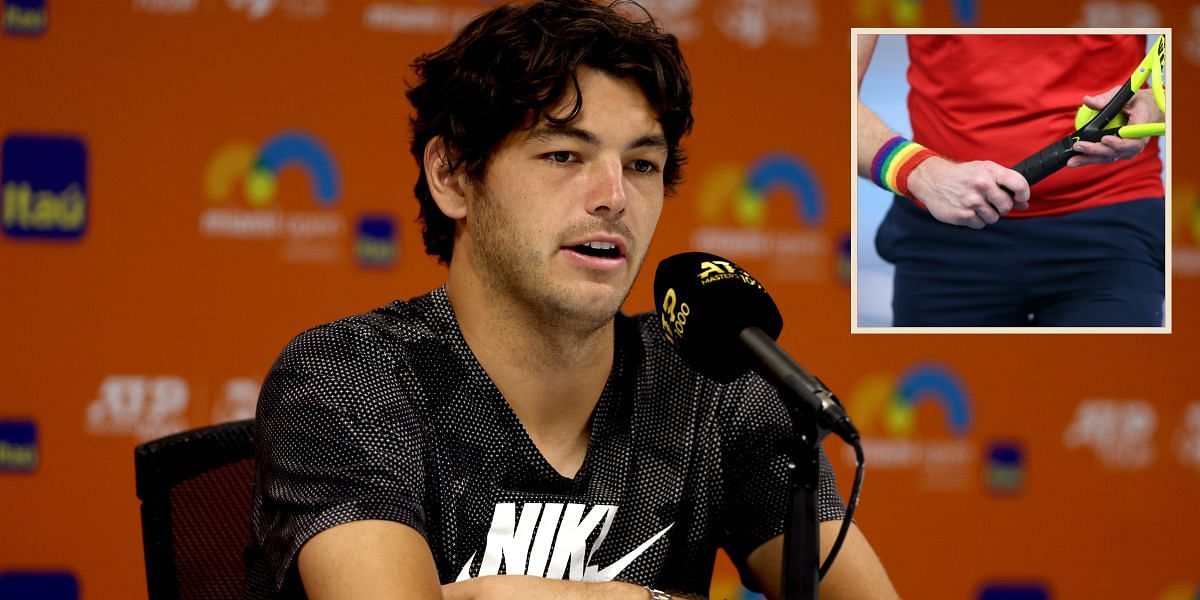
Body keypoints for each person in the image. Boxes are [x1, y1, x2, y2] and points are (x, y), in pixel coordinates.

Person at [245, 1, 901, 598]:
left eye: (642, 165)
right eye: (563, 155)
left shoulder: (714, 386)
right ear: (451, 176)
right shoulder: (349, 377)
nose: (614, 196)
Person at [857, 34, 1165, 327]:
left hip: (1113, 225)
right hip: (947, 233)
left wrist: (1158, 103)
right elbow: (825, 99)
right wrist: (920, 173)